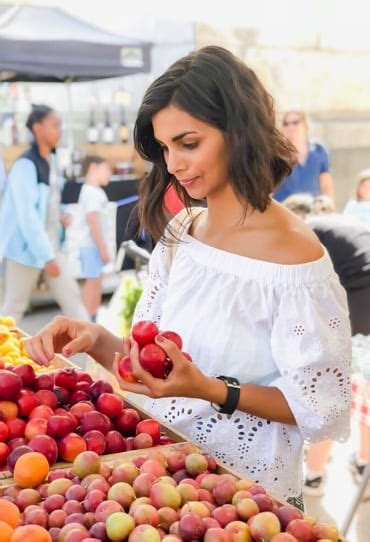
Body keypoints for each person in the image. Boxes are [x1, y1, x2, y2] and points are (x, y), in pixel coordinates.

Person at [24, 47, 351, 509]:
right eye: (164, 147)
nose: (173, 162)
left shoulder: (296, 259)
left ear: (239, 132)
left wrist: (211, 390)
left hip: (245, 503)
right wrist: (95, 338)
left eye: (188, 143)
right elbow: (162, 375)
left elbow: (318, 407)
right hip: (160, 482)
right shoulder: (183, 232)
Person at [284, 193, 370, 495]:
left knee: (330, 387)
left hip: (361, 300)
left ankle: (315, 475)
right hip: (361, 298)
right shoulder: (339, 222)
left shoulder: (305, 231)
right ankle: (363, 464)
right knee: (363, 390)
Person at [0, 105, 88, 323]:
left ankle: (95, 356)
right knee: (14, 309)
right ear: (38, 128)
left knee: (73, 301)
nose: (59, 131)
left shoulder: (52, 160)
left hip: (51, 246)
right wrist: (46, 256)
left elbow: (51, 201)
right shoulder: (25, 165)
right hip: (24, 250)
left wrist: (62, 214)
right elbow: (27, 215)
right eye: (55, 126)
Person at [274, 110, 334, 202]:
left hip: (313, 209)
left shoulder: (319, 149)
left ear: (305, 124)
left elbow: (326, 186)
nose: (290, 127)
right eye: (286, 124)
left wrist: (328, 205)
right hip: (285, 208)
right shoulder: (276, 152)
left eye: (295, 122)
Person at [78, 155, 111, 322]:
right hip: (92, 247)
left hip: (93, 247)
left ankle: (92, 319)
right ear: (93, 168)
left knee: (96, 282)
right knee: (92, 283)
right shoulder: (91, 192)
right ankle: (88, 321)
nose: (109, 174)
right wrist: (102, 248)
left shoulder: (95, 192)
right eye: (106, 169)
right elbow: (92, 221)